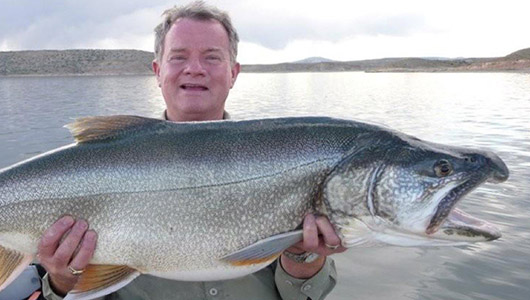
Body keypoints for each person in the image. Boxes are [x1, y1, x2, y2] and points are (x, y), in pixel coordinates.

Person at [37, 2, 346, 299]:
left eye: (212, 57)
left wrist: (302, 255)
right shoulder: (101, 162)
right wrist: (63, 279)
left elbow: (305, 296)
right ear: (157, 71)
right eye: (179, 57)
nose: (195, 69)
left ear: (233, 73)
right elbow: (71, 294)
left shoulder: (284, 163)